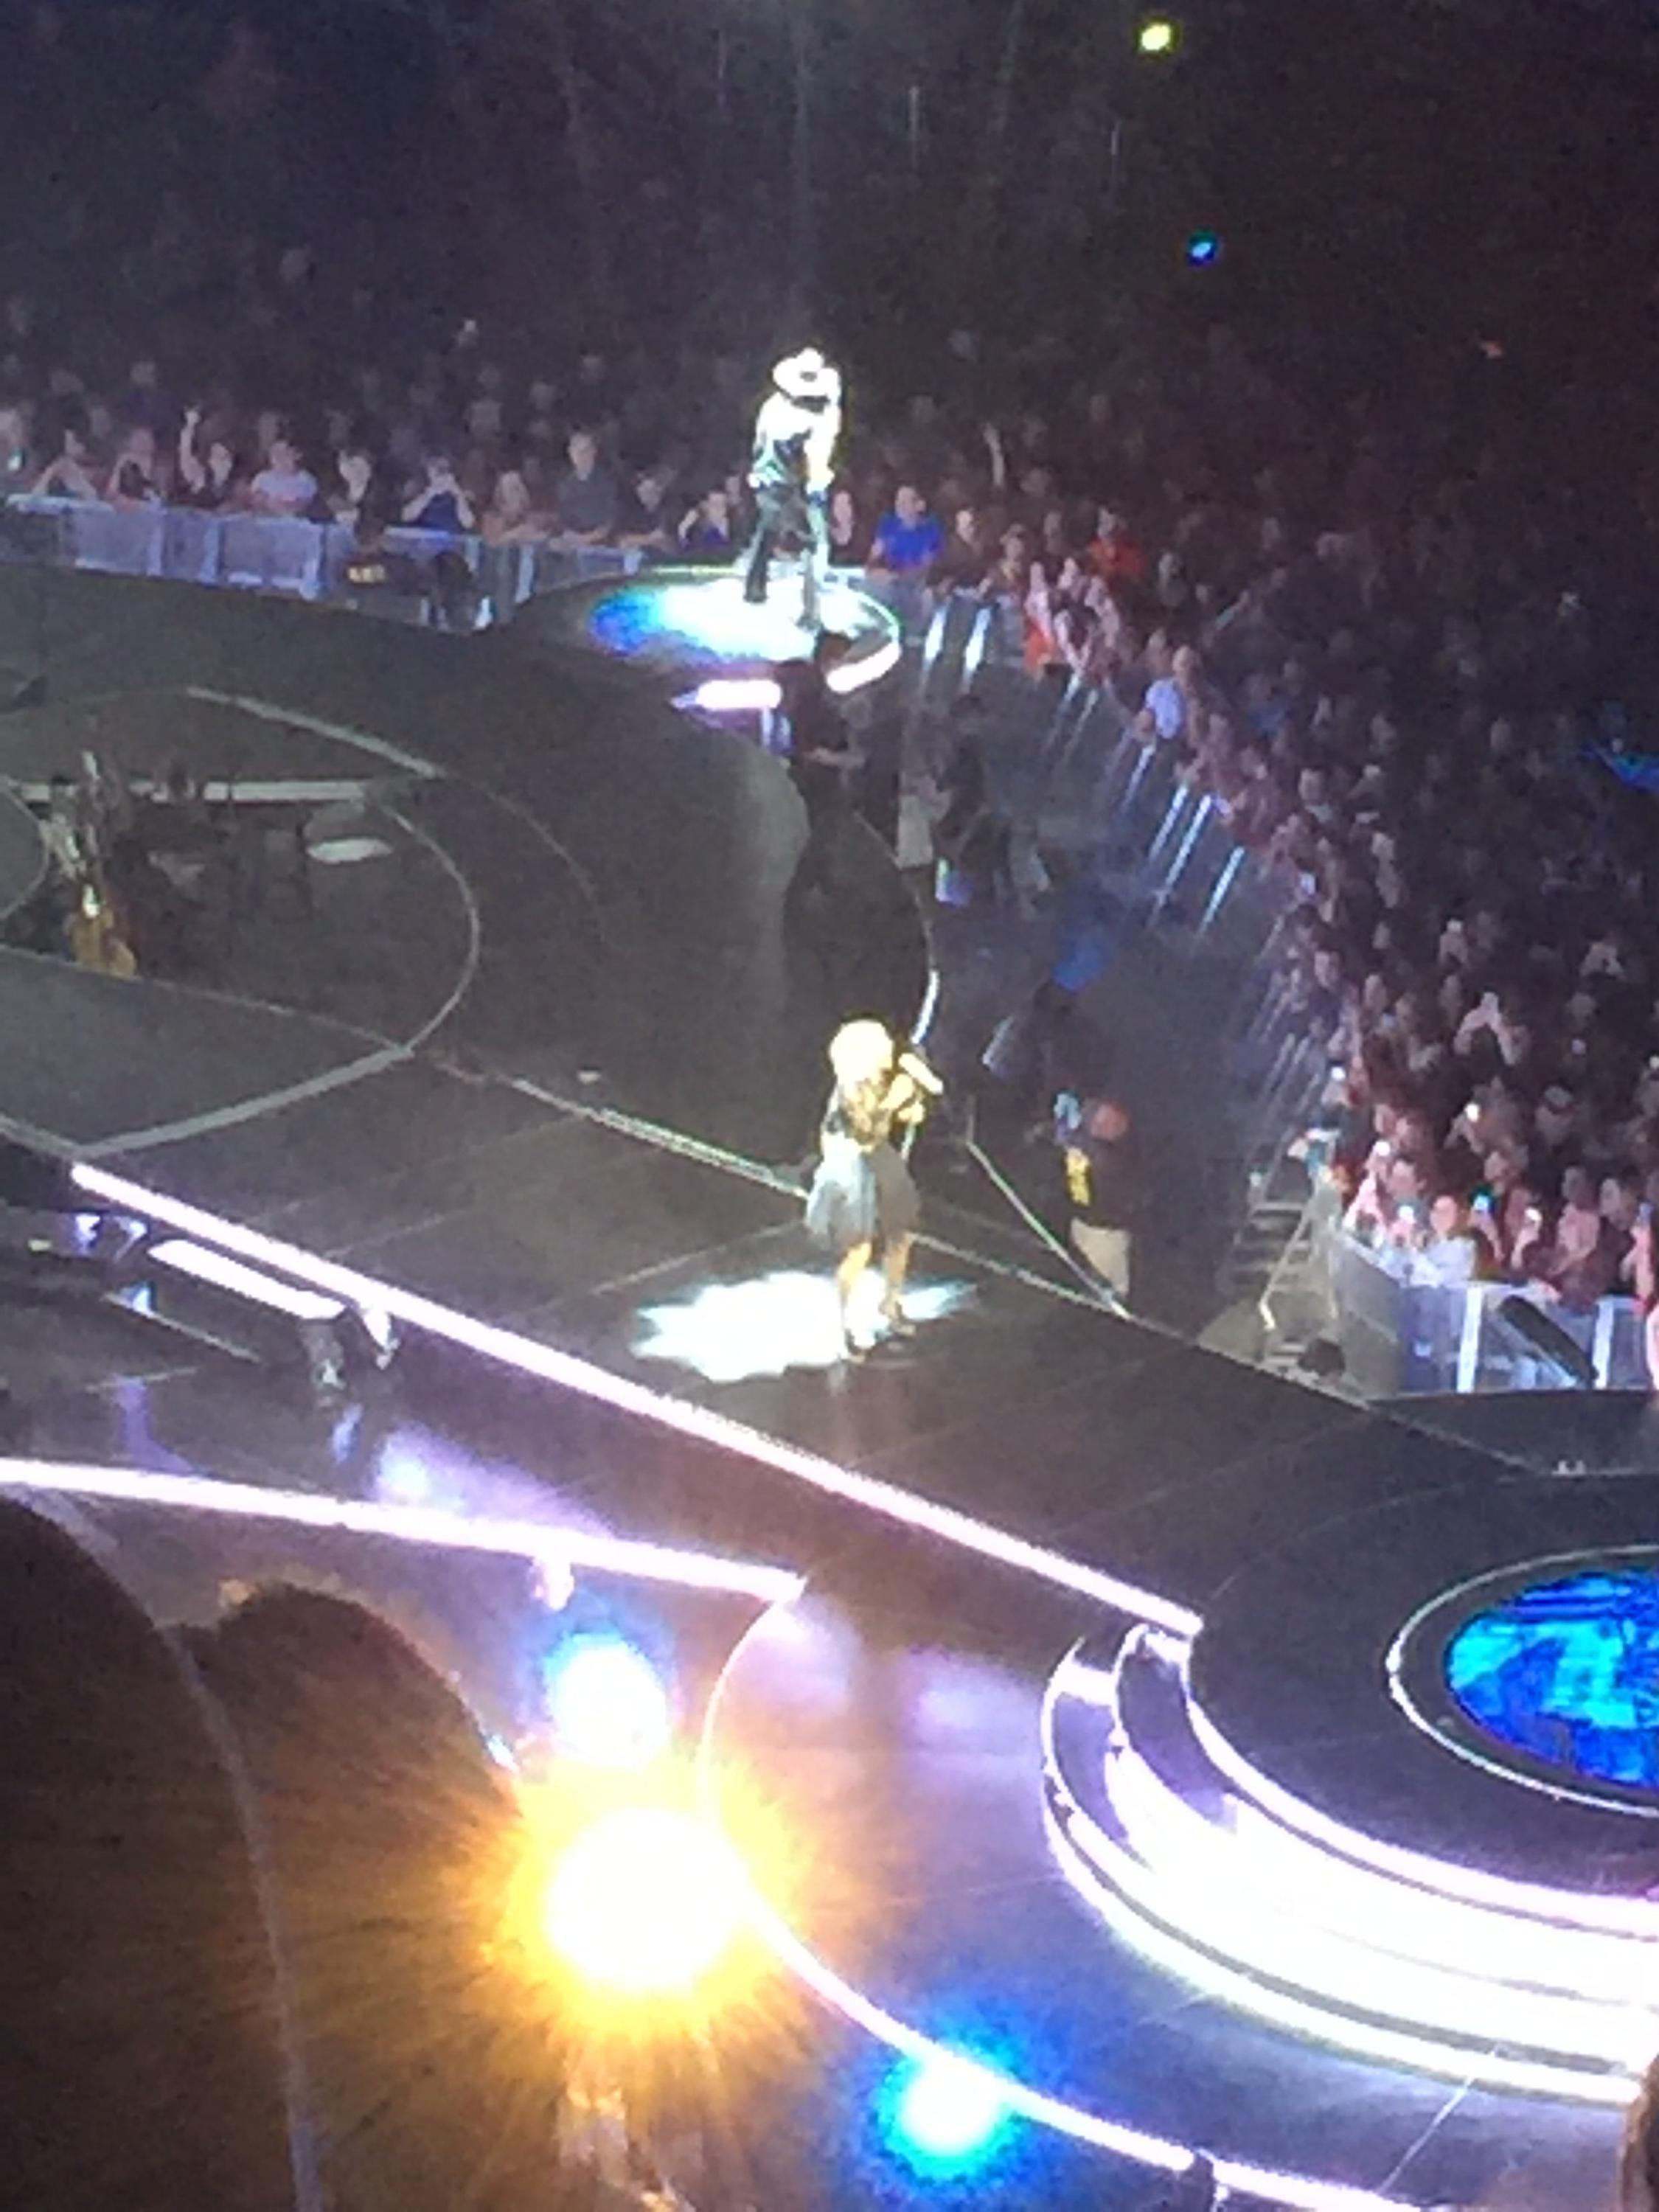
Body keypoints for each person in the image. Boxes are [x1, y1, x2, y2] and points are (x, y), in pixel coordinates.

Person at [806, 1018, 939, 1357]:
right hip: (848, 1158)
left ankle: (890, 1303)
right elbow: (865, 1129)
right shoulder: (852, 1087)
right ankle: (843, 1323)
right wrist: (896, 1102)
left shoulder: (885, 1076)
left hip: (876, 1151)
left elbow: (907, 1113)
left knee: (902, 1230)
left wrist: (912, 1104)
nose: (890, 1049)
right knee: (859, 1248)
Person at [742, 347, 842, 625]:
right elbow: (815, 461)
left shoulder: (772, 405)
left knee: (767, 530)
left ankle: (754, 589)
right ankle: (811, 612)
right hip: (796, 487)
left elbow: (758, 444)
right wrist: (815, 490)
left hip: (767, 481)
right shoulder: (816, 417)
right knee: (815, 544)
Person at [1062, 1096, 1141, 1303]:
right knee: (1109, 1295)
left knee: (1089, 1280)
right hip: (1104, 1234)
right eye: (1114, 1122)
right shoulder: (1107, 1161)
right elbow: (1124, 1198)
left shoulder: (1076, 1143)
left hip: (1081, 1221)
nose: (1122, 1126)